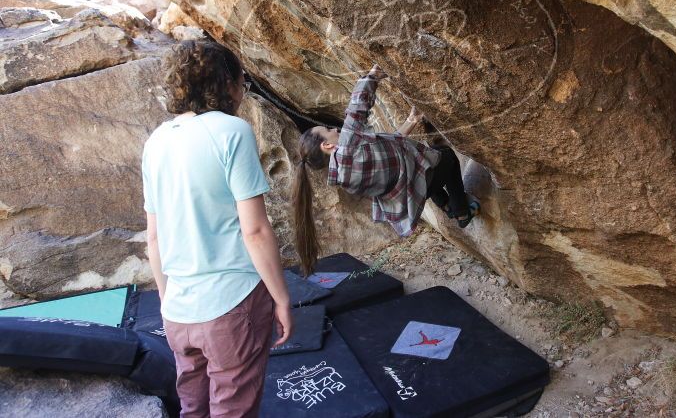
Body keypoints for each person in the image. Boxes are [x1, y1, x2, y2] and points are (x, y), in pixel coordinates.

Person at [141, 40, 292, 417]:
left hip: (178, 309)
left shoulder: (156, 141)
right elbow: (254, 231)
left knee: (194, 408)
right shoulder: (231, 131)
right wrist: (283, 299)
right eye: (243, 82)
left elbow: (154, 238)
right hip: (231, 302)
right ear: (226, 83)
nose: (243, 92)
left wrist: (167, 302)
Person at [292, 64, 479, 276]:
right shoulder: (347, 148)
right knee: (448, 158)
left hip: (409, 191)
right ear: (326, 145)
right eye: (327, 130)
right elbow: (357, 109)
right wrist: (372, 76)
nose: (334, 129)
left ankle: (445, 205)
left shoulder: (343, 176)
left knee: (427, 163)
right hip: (416, 178)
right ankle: (462, 211)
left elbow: (389, 149)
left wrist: (411, 121)